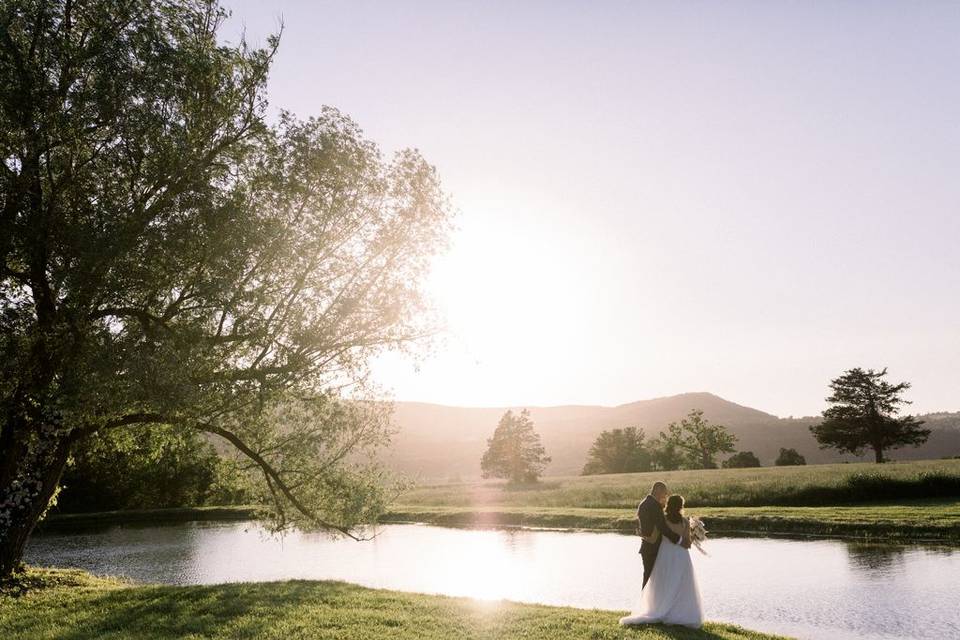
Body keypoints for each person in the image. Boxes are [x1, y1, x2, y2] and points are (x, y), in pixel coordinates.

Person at [620, 493, 704, 628]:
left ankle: (660, 608)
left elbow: (653, 539)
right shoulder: (685, 522)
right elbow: (687, 544)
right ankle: (678, 612)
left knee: (664, 583)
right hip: (681, 556)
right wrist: (693, 537)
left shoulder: (663, 520)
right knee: (681, 584)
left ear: (668, 505)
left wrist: (642, 535)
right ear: (681, 507)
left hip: (665, 554)